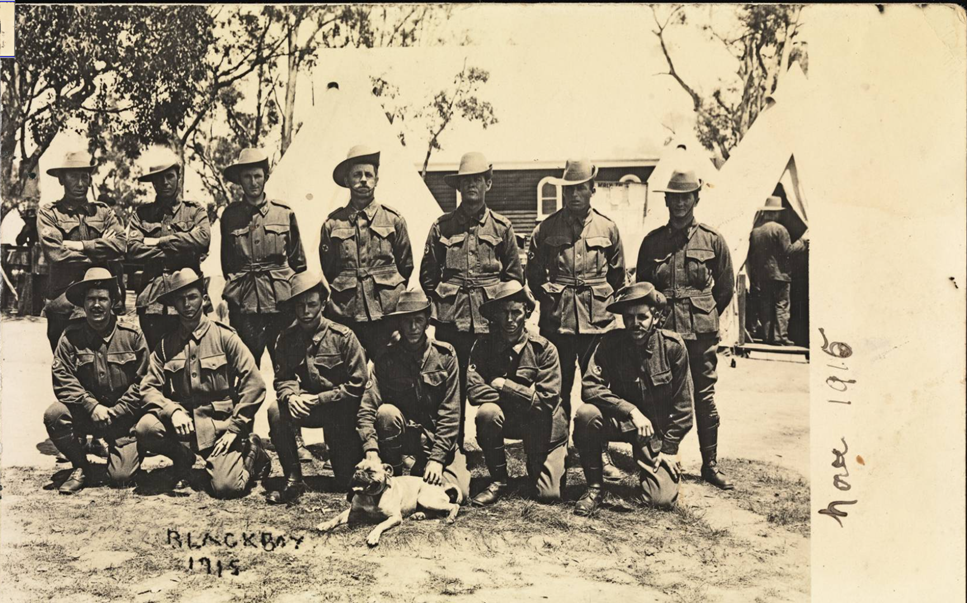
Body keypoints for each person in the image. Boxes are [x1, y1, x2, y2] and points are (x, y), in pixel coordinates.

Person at [525, 158, 627, 481]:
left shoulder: (608, 228)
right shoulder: (546, 228)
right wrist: (551, 297)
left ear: (592, 189)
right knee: (558, 389)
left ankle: (601, 452)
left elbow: (618, 277)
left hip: (598, 324)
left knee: (597, 390)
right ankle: (559, 451)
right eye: (569, 189)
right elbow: (533, 274)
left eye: (581, 188)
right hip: (558, 325)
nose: (574, 195)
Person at [635, 168, 735, 490]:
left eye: (685, 197)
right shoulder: (652, 243)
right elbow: (643, 289)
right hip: (663, 332)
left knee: (704, 396)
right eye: (674, 198)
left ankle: (710, 464)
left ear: (696, 198)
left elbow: (725, 288)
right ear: (666, 201)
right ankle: (658, 460)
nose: (679, 204)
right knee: (660, 395)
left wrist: (704, 315)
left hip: (700, 333)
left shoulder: (712, 239)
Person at [135, 268, 270, 498]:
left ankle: (253, 452)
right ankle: (182, 460)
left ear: (204, 299)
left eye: (192, 297)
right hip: (184, 427)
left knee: (227, 488)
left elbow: (255, 384)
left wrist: (236, 428)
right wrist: (172, 410)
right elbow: (148, 387)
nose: (187, 304)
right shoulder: (167, 345)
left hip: (220, 427)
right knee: (146, 427)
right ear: (174, 305)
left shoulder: (224, 337)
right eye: (180, 299)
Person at [419, 151, 523, 446]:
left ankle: (492, 445)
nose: (471, 186)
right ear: (458, 186)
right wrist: (439, 304)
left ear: (488, 183)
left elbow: (514, 278)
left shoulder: (502, 228)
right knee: (449, 384)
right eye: (465, 181)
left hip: (490, 321)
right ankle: (451, 444)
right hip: (451, 319)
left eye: (477, 180)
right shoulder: (442, 226)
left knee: (491, 382)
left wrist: (504, 315)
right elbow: (428, 275)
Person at [219, 147, 312, 460]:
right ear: (240, 181)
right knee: (245, 373)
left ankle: (293, 439)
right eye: (247, 177)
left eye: (258, 175)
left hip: (281, 306)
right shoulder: (230, 216)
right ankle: (242, 439)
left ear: (265, 177)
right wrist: (238, 293)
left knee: (287, 371)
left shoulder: (283, 213)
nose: (253, 182)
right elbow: (227, 263)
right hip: (245, 308)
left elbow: (299, 263)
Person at [574, 282, 693, 515]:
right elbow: (590, 387)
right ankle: (594, 488)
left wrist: (669, 448)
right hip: (621, 421)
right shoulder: (610, 343)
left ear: (656, 318)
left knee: (660, 500)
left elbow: (684, 408)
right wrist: (630, 411)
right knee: (586, 415)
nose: (635, 324)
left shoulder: (673, 347)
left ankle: (655, 469)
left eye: (642, 317)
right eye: (629, 318)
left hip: (654, 432)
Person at [357, 290, 471, 505]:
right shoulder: (385, 357)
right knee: (386, 413)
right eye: (407, 321)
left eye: (418, 320)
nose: (413, 327)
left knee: (459, 494)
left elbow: (451, 412)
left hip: (434, 439)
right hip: (402, 440)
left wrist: (437, 459)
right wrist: (370, 450)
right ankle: (397, 471)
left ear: (428, 322)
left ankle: (421, 469)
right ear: (399, 323)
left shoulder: (445, 356)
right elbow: (367, 408)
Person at [44, 268, 149, 494]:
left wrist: (117, 411)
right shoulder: (71, 336)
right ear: (83, 303)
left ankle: (122, 452)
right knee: (55, 415)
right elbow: (62, 378)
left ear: (113, 302)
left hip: (123, 418)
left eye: (103, 298)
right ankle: (80, 466)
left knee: (121, 477)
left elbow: (144, 381)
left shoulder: (132, 335)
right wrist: (92, 406)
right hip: (87, 415)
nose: (96, 305)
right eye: (91, 299)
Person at [267, 272, 368, 503]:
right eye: (300, 305)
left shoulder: (343, 337)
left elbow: (357, 384)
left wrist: (319, 399)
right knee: (275, 410)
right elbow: (282, 379)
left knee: (345, 481)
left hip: (340, 411)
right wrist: (291, 397)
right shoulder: (285, 338)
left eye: (312, 304)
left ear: (323, 304)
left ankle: (343, 464)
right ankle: (293, 478)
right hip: (306, 407)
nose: (305, 311)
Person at [467, 282, 568, 506]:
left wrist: (504, 386)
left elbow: (546, 402)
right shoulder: (483, 346)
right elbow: (474, 391)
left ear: (527, 313)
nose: (510, 319)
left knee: (547, 495)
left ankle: (549, 461)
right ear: (495, 315)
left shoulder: (544, 349)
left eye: (516, 312)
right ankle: (499, 480)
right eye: (503, 313)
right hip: (510, 419)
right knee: (487, 412)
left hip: (543, 423)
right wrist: (525, 395)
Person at [320, 145, 413, 357]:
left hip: (386, 314)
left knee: (389, 374)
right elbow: (330, 269)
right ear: (347, 180)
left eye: (369, 175)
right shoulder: (333, 224)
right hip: (347, 312)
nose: (363, 179)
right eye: (357, 174)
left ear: (377, 180)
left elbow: (405, 265)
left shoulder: (393, 220)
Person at [37, 150, 127, 351]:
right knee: (64, 369)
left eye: (84, 177)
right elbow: (56, 254)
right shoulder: (49, 213)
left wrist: (79, 245)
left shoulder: (103, 212)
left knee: (102, 368)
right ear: (61, 179)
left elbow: (121, 245)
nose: (80, 183)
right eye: (73, 176)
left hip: (99, 304)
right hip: (64, 303)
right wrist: (101, 252)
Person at [127, 149, 211, 351]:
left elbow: (203, 239)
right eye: (159, 178)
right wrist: (180, 247)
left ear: (178, 177)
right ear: (153, 182)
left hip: (186, 299)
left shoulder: (194, 211)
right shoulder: (142, 215)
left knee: (190, 359)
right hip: (152, 299)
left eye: (169, 176)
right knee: (155, 361)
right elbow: (132, 249)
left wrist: (157, 242)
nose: (164, 182)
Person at [747, 196, 807, 346]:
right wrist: (803, 242)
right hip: (781, 275)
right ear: (776, 213)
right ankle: (780, 337)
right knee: (781, 305)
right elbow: (789, 251)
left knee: (766, 305)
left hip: (763, 275)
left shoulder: (756, 231)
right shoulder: (780, 229)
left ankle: (768, 337)